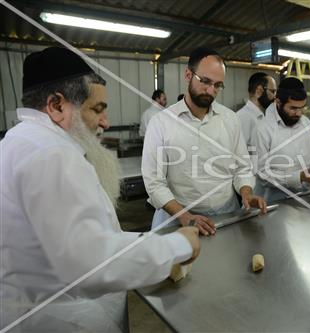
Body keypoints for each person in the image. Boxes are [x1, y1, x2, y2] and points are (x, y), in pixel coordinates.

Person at [0, 47, 200, 332]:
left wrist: (144, 242)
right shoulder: (51, 153)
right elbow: (91, 261)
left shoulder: (18, 142)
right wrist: (177, 245)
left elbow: (82, 235)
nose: (105, 122)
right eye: (97, 109)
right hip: (63, 320)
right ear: (56, 105)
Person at [142, 47, 267, 236]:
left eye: (217, 85)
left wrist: (246, 193)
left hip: (224, 215)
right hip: (177, 219)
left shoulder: (230, 119)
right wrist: (185, 216)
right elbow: (154, 182)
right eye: (205, 81)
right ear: (188, 74)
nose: (211, 90)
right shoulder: (161, 123)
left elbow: (242, 167)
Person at [253, 77, 310, 202]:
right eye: (293, 108)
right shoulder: (263, 129)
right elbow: (262, 174)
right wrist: (298, 177)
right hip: (274, 201)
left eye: (302, 108)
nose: (298, 113)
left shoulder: (305, 123)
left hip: (303, 197)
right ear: (278, 102)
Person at [236, 72, 277, 147]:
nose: (275, 96)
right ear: (259, 90)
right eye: (273, 91)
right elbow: (240, 151)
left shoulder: (261, 116)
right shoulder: (244, 117)